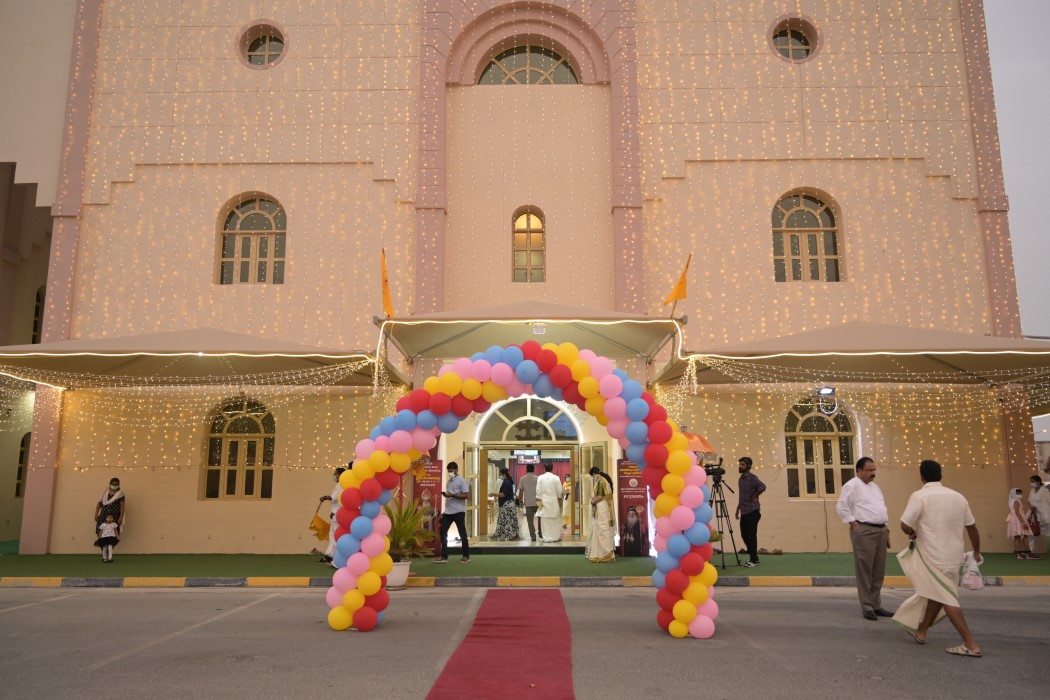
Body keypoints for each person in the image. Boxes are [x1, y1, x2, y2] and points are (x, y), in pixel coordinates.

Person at [892, 459, 982, 657]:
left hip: (932, 556)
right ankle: (921, 631)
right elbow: (972, 527)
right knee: (939, 593)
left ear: (921, 476)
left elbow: (904, 524)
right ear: (941, 475)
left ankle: (970, 644)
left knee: (946, 597)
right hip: (954, 556)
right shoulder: (958, 497)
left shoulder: (919, 496)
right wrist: (976, 552)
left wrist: (912, 533)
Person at [835, 456, 894, 621]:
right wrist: (855, 525)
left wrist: (886, 530)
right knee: (865, 570)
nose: (873, 473)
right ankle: (867, 606)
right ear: (859, 470)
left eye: (874, 469)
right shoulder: (851, 486)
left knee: (878, 570)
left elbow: (881, 509)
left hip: (881, 530)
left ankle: (876, 604)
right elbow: (841, 507)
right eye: (869, 470)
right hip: (864, 530)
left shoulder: (875, 487)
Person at [435, 461, 471, 563]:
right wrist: (447, 495)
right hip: (448, 512)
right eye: (449, 471)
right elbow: (450, 494)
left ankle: (466, 556)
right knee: (443, 532)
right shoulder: (449, 481)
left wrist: (453, 495)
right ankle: (444, 556)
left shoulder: (461, 481)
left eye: (451, 471)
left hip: (458, 511)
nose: (450, 473)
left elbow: (466, 495)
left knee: (462, 533)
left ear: (456, 470)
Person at [734, 457, 765, 567]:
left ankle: (752, 560)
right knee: (744, 535)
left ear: (748, 466)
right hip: (744, 511)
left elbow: (762, 487)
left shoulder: (752, 478)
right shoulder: (740, 479)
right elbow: (742, 497)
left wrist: (755, 496)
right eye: (740, 464)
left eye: (742, 464)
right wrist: (737, 509)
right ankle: (754, 556)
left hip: (753, 511)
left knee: (752, 536)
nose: (740, 466)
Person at [585, 467, 615, 562]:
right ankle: (604, 553)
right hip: (605, 508)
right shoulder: (605, 480)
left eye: (593, 476)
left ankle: (605, 554)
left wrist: (592, 502)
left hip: (602, 509)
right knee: (604, 529)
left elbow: (600, 496)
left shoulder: (601, 481)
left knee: (602, 530)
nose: (594, 478)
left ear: (594, 474)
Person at [319, 466, 346, 565]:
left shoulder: (340, 484)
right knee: (333, 534)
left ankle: (332, 556)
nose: (334, 476)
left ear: (340, 475)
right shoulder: (345, 484)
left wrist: (324, 497)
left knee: (334, 535)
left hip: (337, 514)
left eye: (335, 474)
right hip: (339, 513)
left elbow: (334, 497)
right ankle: (330, 555)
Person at [490, 466, 519, 541]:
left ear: (504, 474)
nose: (500, 476)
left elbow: (503, 494)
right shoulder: (508, 481)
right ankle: (499, 534)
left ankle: (507, 535)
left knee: (505, 520)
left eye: (501, 474)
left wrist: (493, 494)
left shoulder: (506, 483)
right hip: (509, 504)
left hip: (506, 505)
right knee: (505, 520)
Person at [536, 463, 563, 542]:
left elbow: (538, 490)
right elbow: (559, 490)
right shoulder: (556, 478)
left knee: (545, 520)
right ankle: (555, 537)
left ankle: (546, 538)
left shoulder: (540, 477)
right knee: (554, 520)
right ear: (552, 468)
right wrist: (558, 497)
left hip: (544, 500)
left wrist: (539, 498)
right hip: (553, 500)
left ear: (544, 468)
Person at [1007, 487, 1033, 559]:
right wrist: (1023, 523)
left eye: (1020, 493)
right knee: (1024, 535)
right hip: (1018, 520)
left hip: (1015, 519)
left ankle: (1020, 554)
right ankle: (1028, 553)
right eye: (1018, 493)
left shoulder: (1013, 501)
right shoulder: (1016, 501)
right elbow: (1017, 512)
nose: (1020, 495)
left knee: (1017, 537)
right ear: (1014, 494)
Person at [1027, 475, 1050, 556]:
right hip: (1033, 514)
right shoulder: (1032, 490)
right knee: (1033, 531)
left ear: (1038, 482)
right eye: (1031, 481)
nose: (1031, 483)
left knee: (1046, 529)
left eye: (1033, 481)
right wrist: (1030, 507)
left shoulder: (1044, 491)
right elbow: (1029, 501)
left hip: (1043, 513)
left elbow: (1048, 502)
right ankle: (1031, 549)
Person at [517, 464, 540, 541]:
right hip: (537, 502)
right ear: (533, 469)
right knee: (540, 518)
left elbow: (521, 491)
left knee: (530, 521)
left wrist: (521, 501)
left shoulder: (522, 478)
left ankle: (533, 536)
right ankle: (540, 533)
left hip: (528, 503)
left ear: (526, 469)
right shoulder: (538, 478)